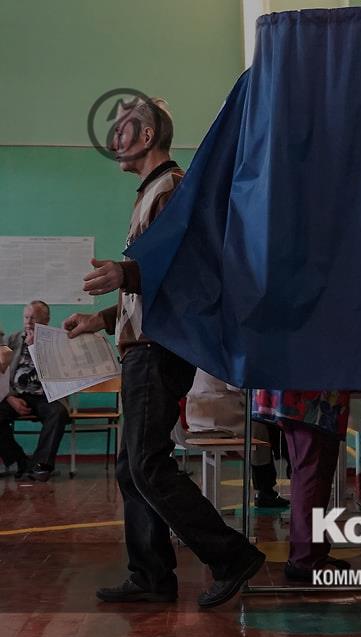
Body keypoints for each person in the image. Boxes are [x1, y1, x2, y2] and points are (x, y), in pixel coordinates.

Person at [63, 95, 264, 608]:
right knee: (132, 467)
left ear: (147, 137)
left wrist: (126, 273)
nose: (114, 141)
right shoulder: (151, 193)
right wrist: (101, 318)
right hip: (144, 345)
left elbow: (184, 270)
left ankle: (230, 556)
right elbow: (150, 288)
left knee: (148, 464)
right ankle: (151, 575)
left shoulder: (170, 189)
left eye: (122, 130)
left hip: (158, 350)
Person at [253, 390, 351, 582]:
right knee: (313, 474)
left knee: (310, 472)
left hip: (294, 393)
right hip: (311, 394)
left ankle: (312, 552)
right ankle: (306, 560)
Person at [179, 369, 288, 508]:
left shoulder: (199, 357)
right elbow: (237, 385)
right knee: (261, 427)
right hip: (220, 414)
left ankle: (268, 486)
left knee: (262, 426)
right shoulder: (224, 357)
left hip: (197, 415)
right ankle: (265, 490)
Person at [0, 301, 69, 480]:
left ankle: (41, 466)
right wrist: (9, 397)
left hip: (45, 395)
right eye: (26, 317)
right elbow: (1, 372)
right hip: (15, 395)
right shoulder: (11, 340)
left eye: (34, 318)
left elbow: (59, 372)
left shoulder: (55, 342)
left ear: (46, 320)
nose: (29, 322)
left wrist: (35, 348)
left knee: (58, 413)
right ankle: (20, 461)